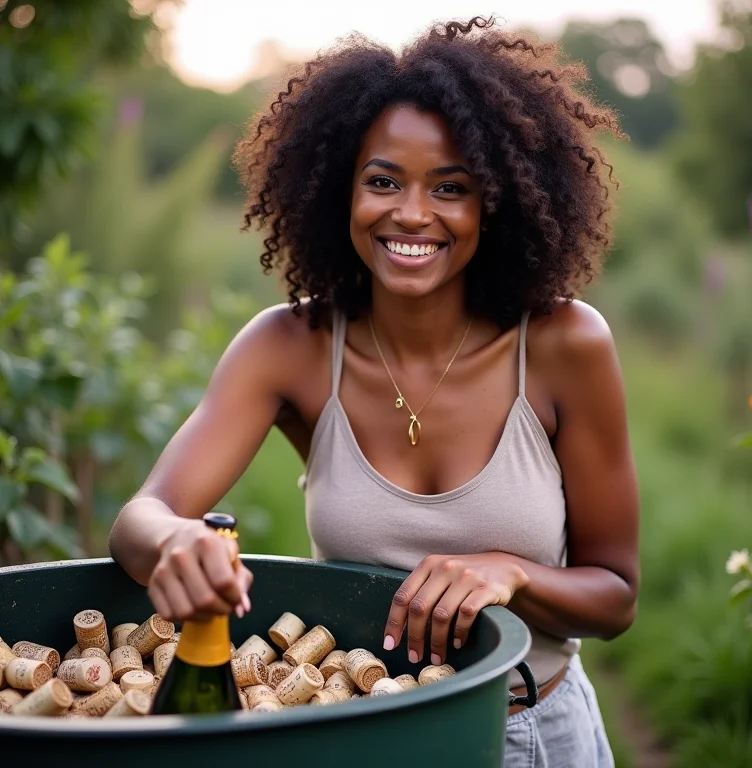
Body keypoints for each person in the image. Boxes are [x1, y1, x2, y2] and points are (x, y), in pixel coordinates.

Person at [109, 16, 639, 766]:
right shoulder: (287, 348)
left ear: (495, 201)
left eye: (450, 188)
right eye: (383, 181)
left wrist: (511, 573)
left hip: (528, 733)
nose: (412, 214)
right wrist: (175, 540)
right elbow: (138, 519)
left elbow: (616, 595)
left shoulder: (563, 346)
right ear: (339, 193)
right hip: (360, 731)